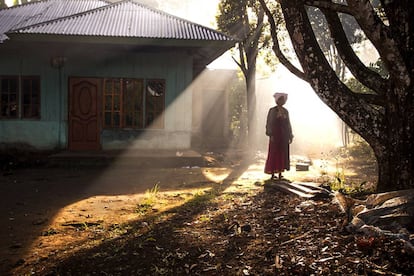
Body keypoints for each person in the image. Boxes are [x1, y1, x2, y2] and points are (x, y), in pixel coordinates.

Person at [264, 92, 293, 180]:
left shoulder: (285, 111)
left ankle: (280, 172)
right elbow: (269, 123)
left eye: (283, 100)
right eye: (280, 100)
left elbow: (288, 124)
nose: (282, 102)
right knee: (274, 152)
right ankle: (272, 173)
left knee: (282, 153)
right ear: (277, 101)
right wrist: (270, 134)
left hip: (283, 135)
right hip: (275, 134)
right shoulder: (272, 110)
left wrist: (290, 135)